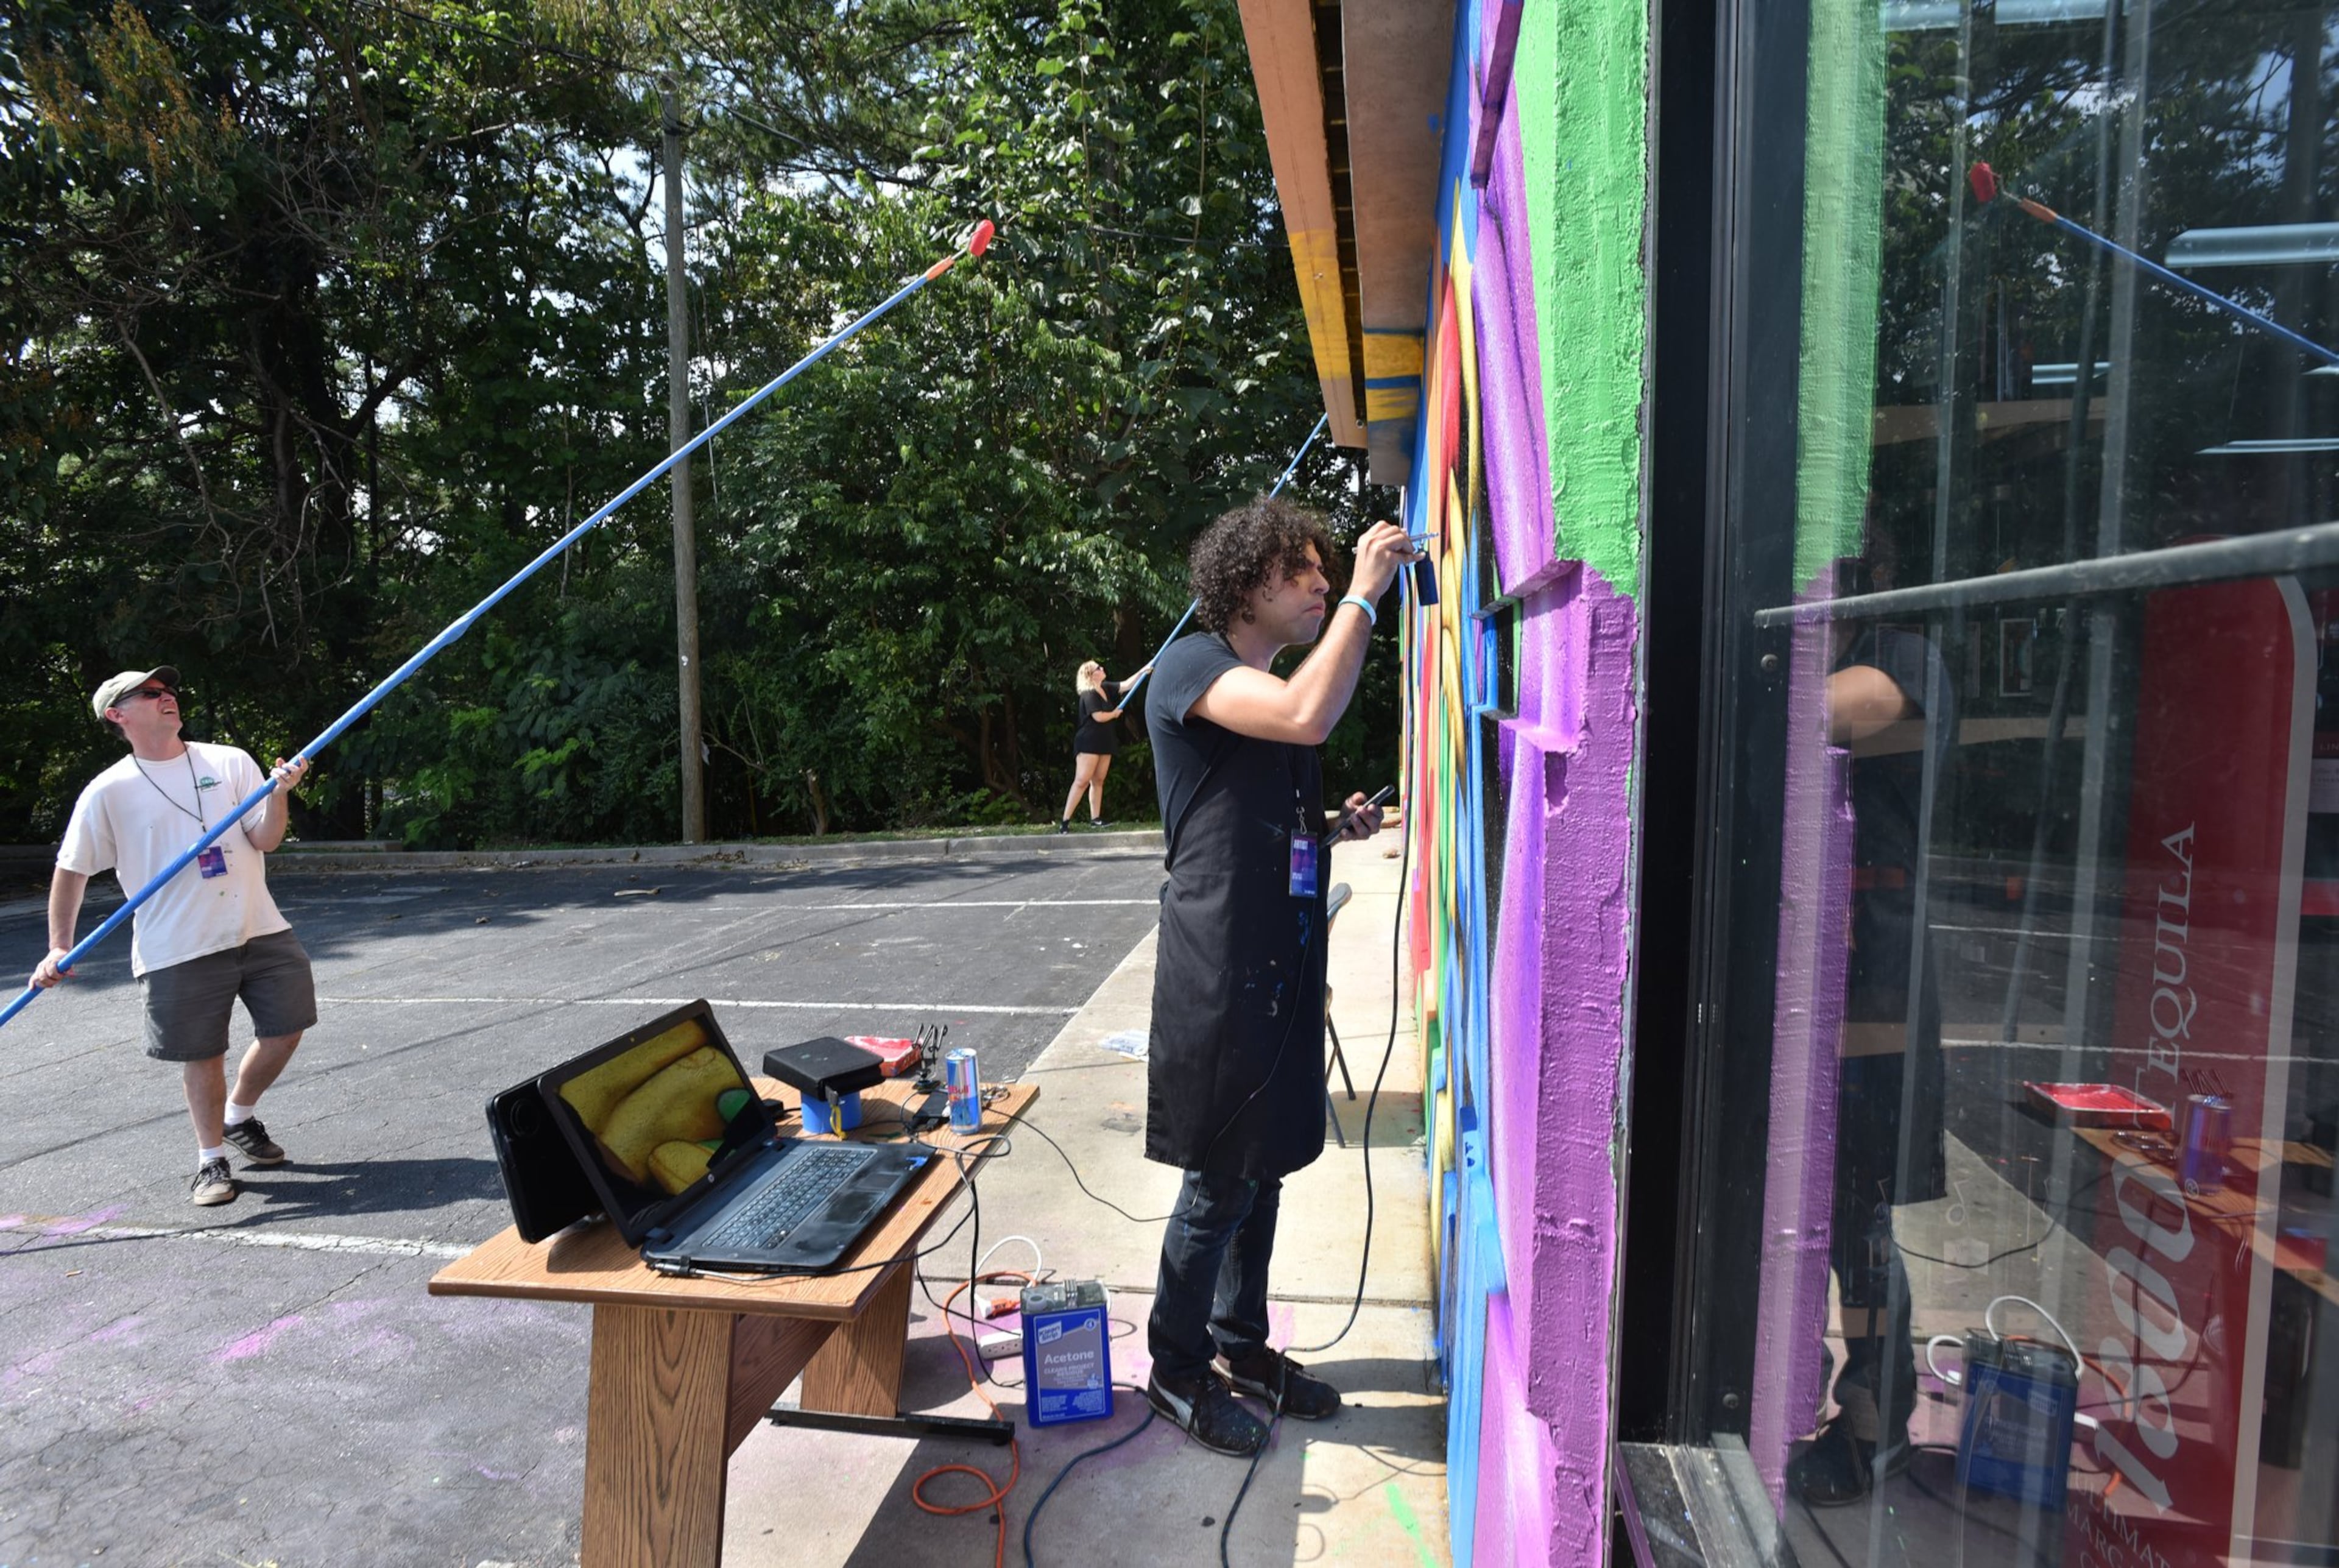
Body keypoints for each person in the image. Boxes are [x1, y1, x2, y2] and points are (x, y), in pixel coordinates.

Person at [1138, 496, 1416, 1457]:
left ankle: (1242, 1346)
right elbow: (1304, 713)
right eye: (1301, 572)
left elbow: (1271, 800)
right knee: (1220, 1179)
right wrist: (1370, 601)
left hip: (1279, 961)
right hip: (1220, 969)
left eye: (1328, 572)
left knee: (1266, 1173)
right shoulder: (1192, 668)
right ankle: (1174, 1368)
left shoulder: (1260, 688)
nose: (1323, 585)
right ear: (1246, 581)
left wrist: (1332, 827)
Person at [29, 668, 316, 1208]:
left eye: (170, 691)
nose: (169, 698)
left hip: (260, 927)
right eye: (152, 694)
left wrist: (280, 794)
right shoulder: (109, 791)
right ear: (118, 715)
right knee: (202, 1053)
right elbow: (72, 870)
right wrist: (58, 946)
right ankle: (211, 1161)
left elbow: (265, 839)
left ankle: (238, 1116)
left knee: (288, 1027)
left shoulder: (228, 761)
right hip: (176, 945)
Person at [1793, 560, 1953, 1506]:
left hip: (1874, 992)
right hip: (1801, 975)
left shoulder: (1905, 660)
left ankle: (1870, 1423)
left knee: (1859, 1213)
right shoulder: (1806, 651)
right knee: (1793, 1212)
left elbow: (1831, 709)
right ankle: (1791, 1393)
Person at [1056, 659, 1150, 833]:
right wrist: (1114, 714)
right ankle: (1065, 821)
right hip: (1089, 742)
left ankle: (1096, 819)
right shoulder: (1089, 694)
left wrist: (1143, 671)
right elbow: (1098, 717)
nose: (1102, 668)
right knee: (1082, 780)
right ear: (1091, 675)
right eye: (1098, 668)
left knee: (1098, 780)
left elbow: (1126, 685)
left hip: (1105, 741)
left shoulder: (1105, 688)